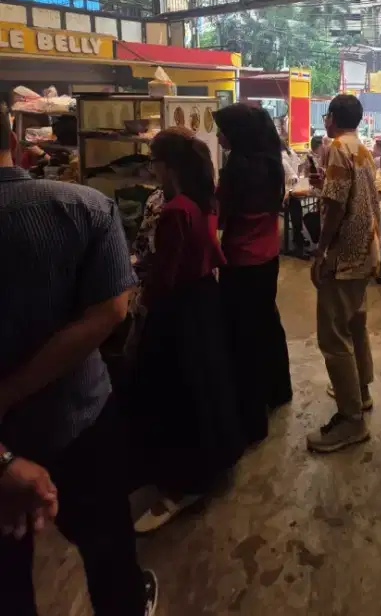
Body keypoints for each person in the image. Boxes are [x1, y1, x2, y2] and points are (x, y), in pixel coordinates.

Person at [0, 105, 158, 615]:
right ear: (15, 138)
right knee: (108, 550)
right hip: (80, 418)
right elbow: (112, 310)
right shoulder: (84, 207)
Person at [130, 128, 245, 533]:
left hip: (178, 309)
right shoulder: (204, 199)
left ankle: (183, 483)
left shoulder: (175, 210)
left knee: (175, 392)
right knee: (205, 383)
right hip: (204, 298)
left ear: (168, 166)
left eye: (154, 162)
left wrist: (142, 307)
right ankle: (209, 463)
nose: (152, 170)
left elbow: (165, 274)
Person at [308, 95, 381, 453]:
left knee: (334, 337)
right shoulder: (361, 148)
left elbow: (336, 205)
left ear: (332, 118)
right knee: (355, 325)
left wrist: (321, 250)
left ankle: (351, 420)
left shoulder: (337, 147)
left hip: (343, 257)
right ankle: (360, 391)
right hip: (365, 251)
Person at [214, 104, 293, 426]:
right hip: (268, 256)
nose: (219, 136)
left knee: (242, 334)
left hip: (241, 260)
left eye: (223, 131)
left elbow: (221, 219)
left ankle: (251, 412)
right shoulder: (272, 163)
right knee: (266, 322)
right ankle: (278, 389)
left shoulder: (237, 170)